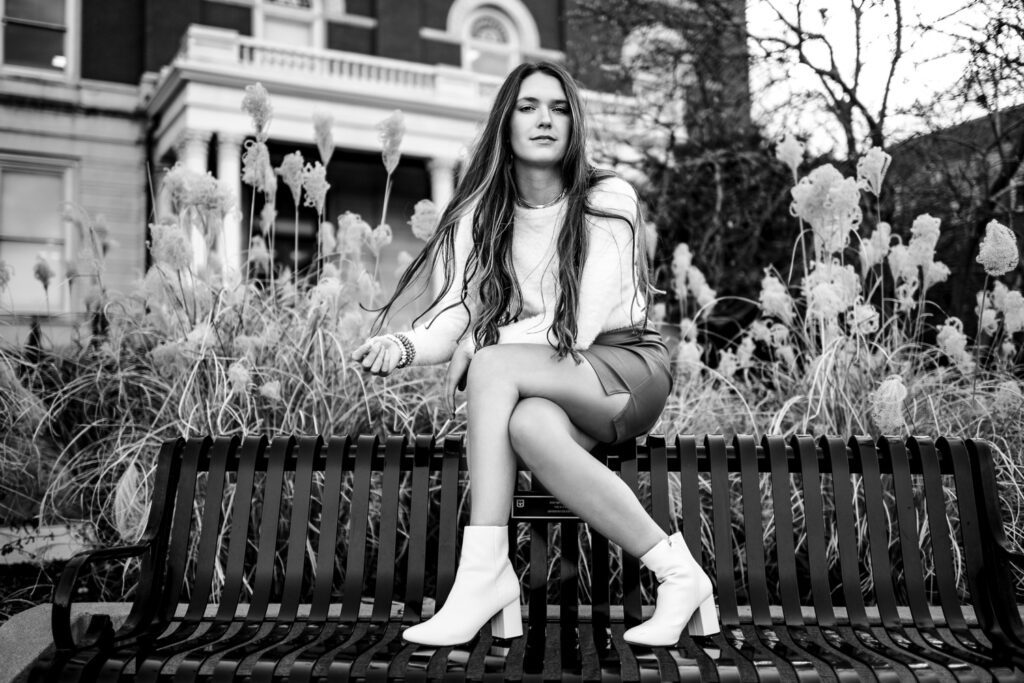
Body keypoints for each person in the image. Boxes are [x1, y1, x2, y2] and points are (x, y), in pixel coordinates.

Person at [352, 61, 718, 648]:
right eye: (528, 107)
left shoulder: (607, 197)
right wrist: (404, 344)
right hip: (546, 374)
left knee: (495, 365)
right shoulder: (481, 212)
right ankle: (680, 573)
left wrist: (483, 346)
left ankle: (484, 576)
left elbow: (581, 323)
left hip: (623, 369)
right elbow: (454, 312)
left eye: (559, 107)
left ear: (574, 123)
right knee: (528, 427)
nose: (545, 119)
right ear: (506, 121)